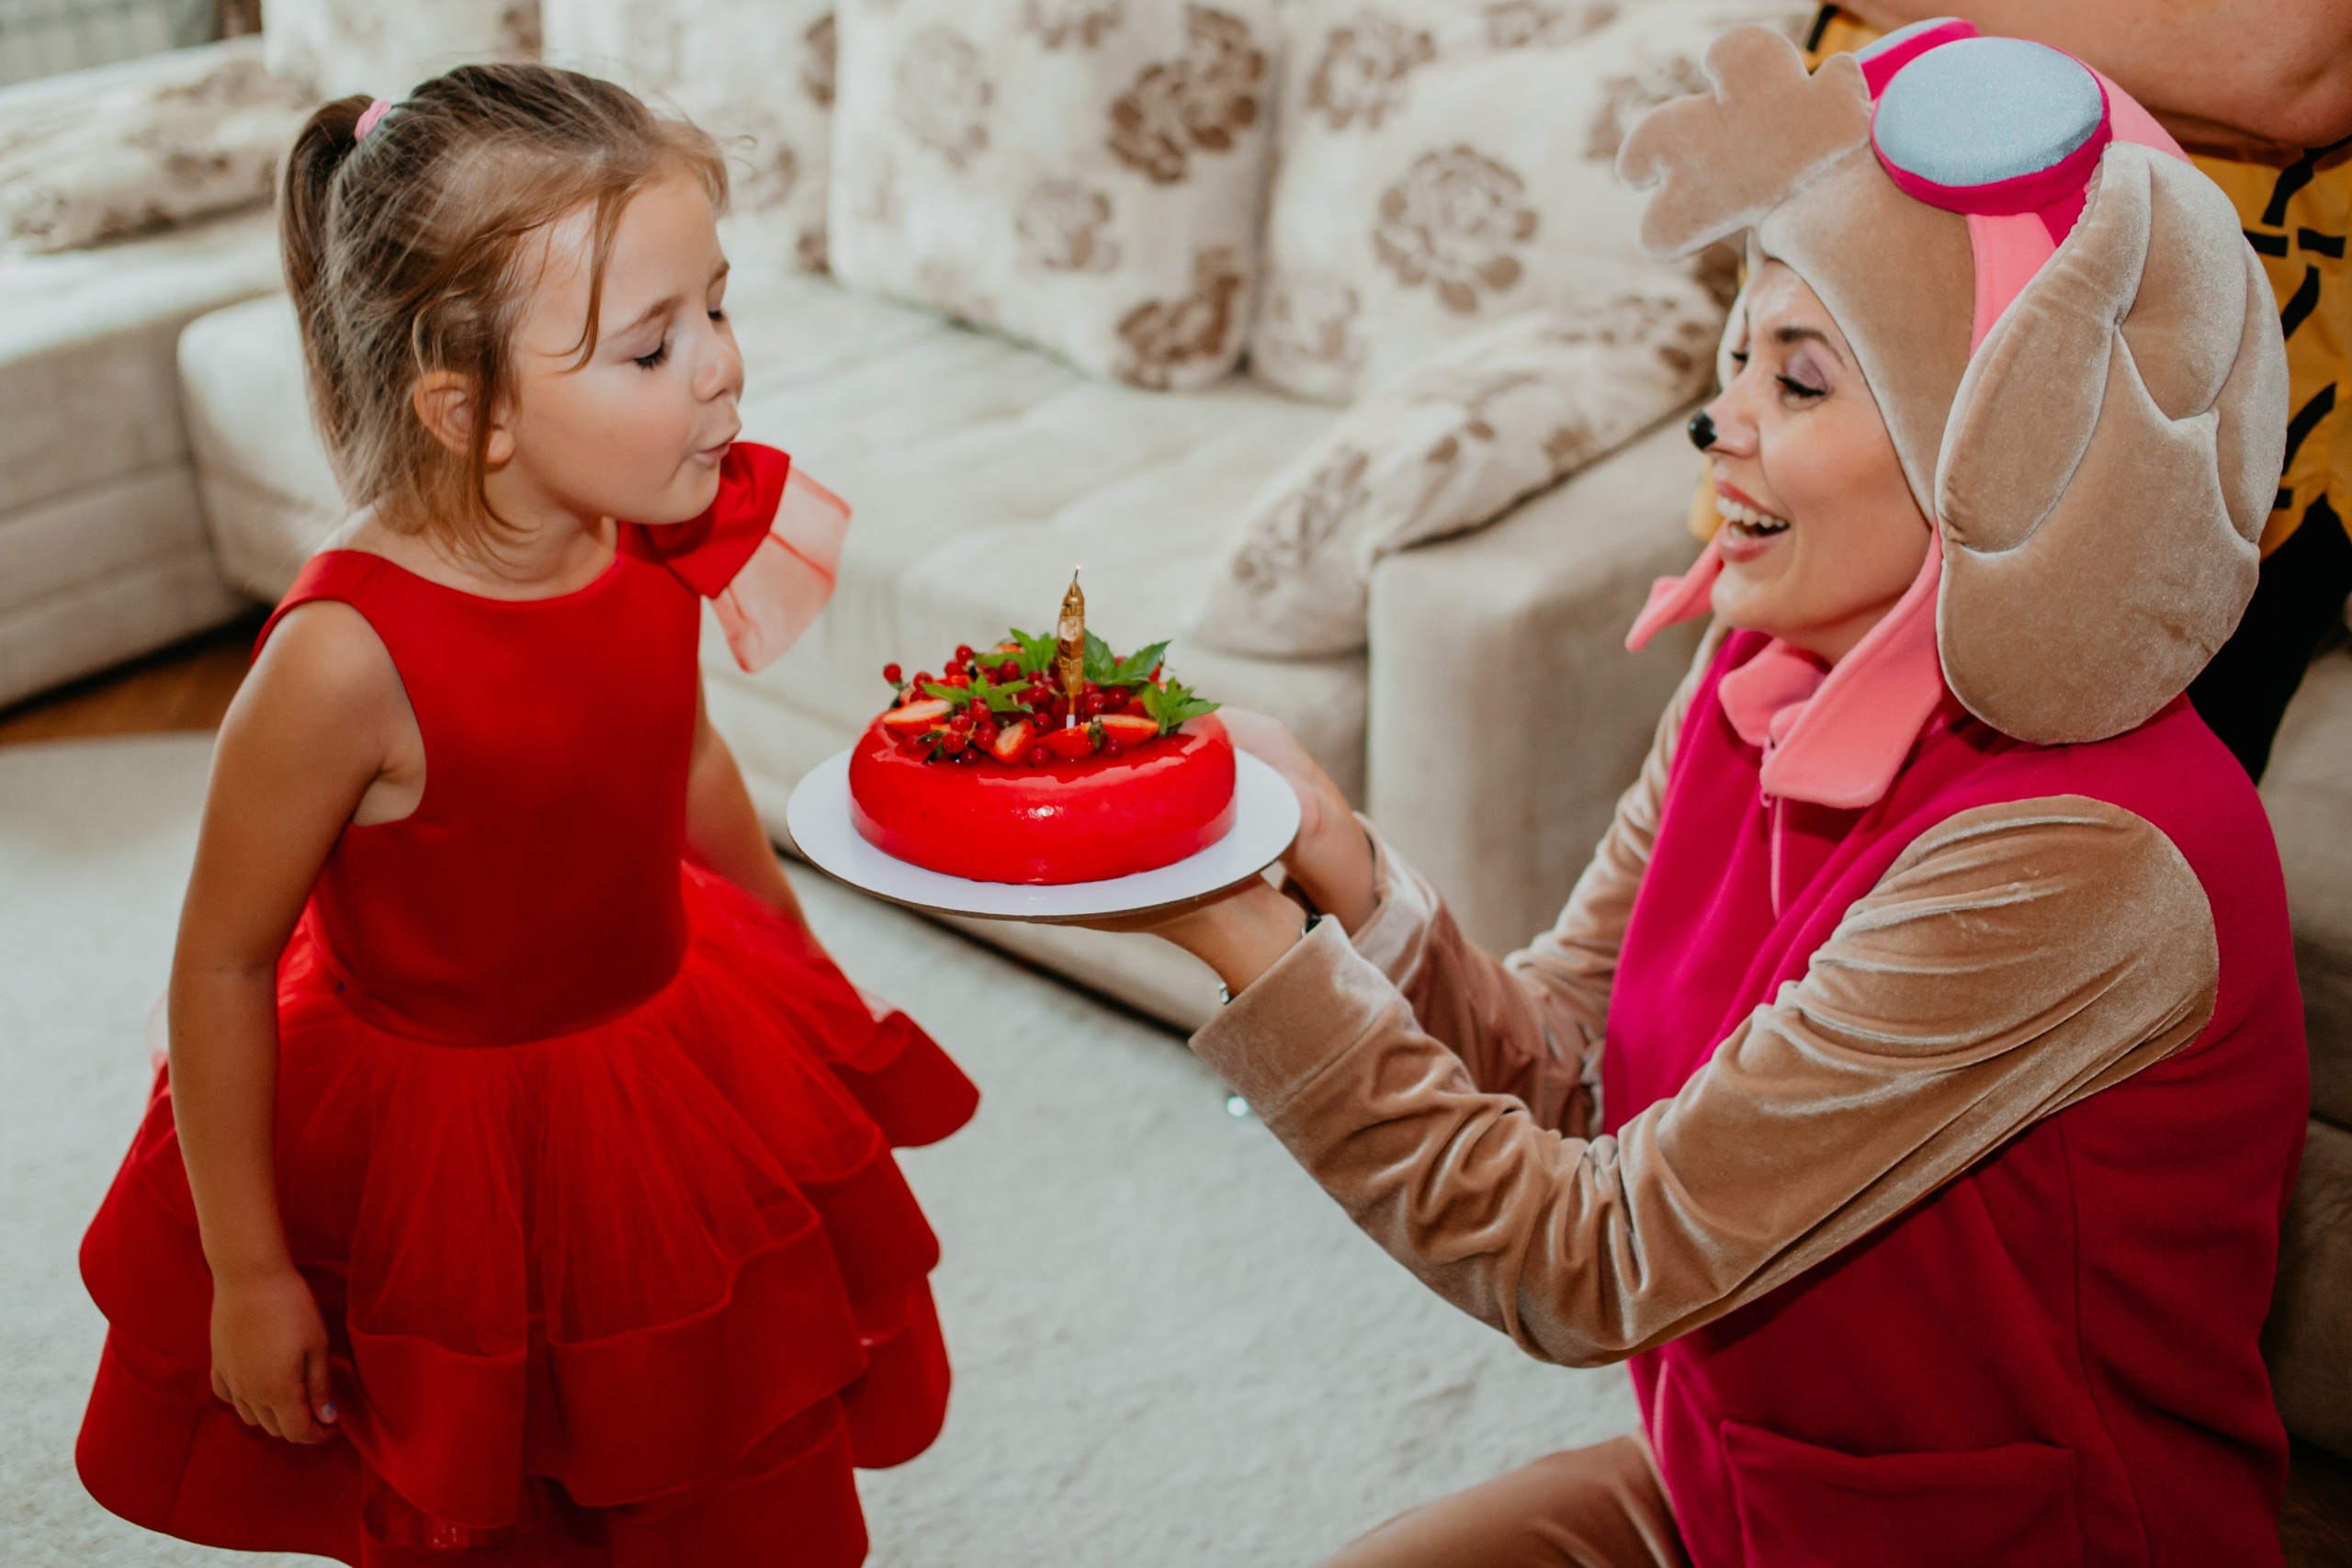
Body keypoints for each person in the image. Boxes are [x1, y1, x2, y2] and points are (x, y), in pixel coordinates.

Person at [1119, 25, 2307, 1567]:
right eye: (1738, 352)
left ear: (2006, 449)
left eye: (1800, 377)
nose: (1720, 419)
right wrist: (1346, 871)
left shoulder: (2083, 858)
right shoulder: (1757, 672)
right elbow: (1569, 1067)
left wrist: (1255, 952)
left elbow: (1591, 1260)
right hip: (1736, 1496)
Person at [73, 66, 978, 1566]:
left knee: (707, 1424)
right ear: (467, 407)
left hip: (667, 1041)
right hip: (451, 1135)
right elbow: (219, 961)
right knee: (497, 1466)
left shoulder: (642, 530)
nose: (723, 369)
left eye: (717, 307)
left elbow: (686, 765)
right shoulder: (343, 659)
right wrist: (249, 1268)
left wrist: (805, 974)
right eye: (653, 344)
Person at [1797, 4, 2352, 781]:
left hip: (2173, 399)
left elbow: (2286, 58)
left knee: (2091, 822)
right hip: (1840, 264)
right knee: (1755, 779)